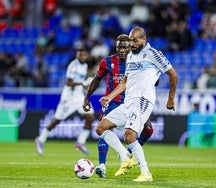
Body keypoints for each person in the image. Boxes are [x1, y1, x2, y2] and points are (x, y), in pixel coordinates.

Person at [96, 27, 178, 182]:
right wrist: (110, 96)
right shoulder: (131, 57)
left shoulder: (153, 54)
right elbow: (125, 82)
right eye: (130, 41)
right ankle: (125, 157)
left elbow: (173, 74)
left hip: (143, 100)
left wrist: (171, 98)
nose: (131, 44)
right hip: (128, 101)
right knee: (101, 127)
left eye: (134, 40)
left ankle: (146, 173)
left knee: (129, 135)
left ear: (143, 40)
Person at [83, 34, 154, 178]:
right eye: (119, 47)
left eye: (125, 47)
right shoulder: (107, 62)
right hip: (113, 101)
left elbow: (153, 80)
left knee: (149, 130)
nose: (122, 50)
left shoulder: (138, 61)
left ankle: (128, 154)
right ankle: (102, 165)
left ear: (130, 48)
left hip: (133, 101)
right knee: (103, 127)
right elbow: (97, 80)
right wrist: (87, 97)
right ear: (116, 48)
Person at [34, 48, 95, 156]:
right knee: (57, 120)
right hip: (68, 98)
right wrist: (82, 84)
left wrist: (85, 85)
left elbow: (80, 82)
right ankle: (40, 139)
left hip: (79, 97)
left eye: (84, 55)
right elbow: (68, 82)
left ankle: (80, 142)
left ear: (86, 56)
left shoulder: (84, 66)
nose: (82, 57)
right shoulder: (73, 65)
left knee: (90, 118)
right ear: (77, 55)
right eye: (80, 55)